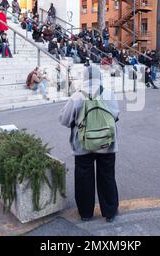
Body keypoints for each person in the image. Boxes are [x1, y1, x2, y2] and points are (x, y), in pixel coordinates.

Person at [59, 65, 120, 223]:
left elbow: (64, 120)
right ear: (100, 77)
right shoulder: (108, 93)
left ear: (84, 78)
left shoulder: (77, 96)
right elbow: (115, 115)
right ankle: (110, 212)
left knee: (83, 178)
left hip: (83, 145)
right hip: (107, 144)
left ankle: (86, 213)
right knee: (107, 176)